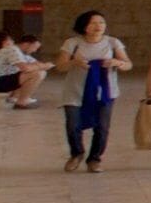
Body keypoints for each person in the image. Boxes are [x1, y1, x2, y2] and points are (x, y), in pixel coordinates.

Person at [55, 13, 129, 170]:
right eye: (93, 23)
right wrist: (75, 62)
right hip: (75, 91)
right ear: (84, 26)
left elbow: (128, 64)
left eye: (101, 22)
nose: (98, 26)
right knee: (73, 124)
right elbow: (60, 66)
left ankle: (95, 158)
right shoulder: (72, 43)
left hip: (104, 91)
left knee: (102, 126)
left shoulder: (113, 42)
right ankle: (76, 153)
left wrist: (117, 62)